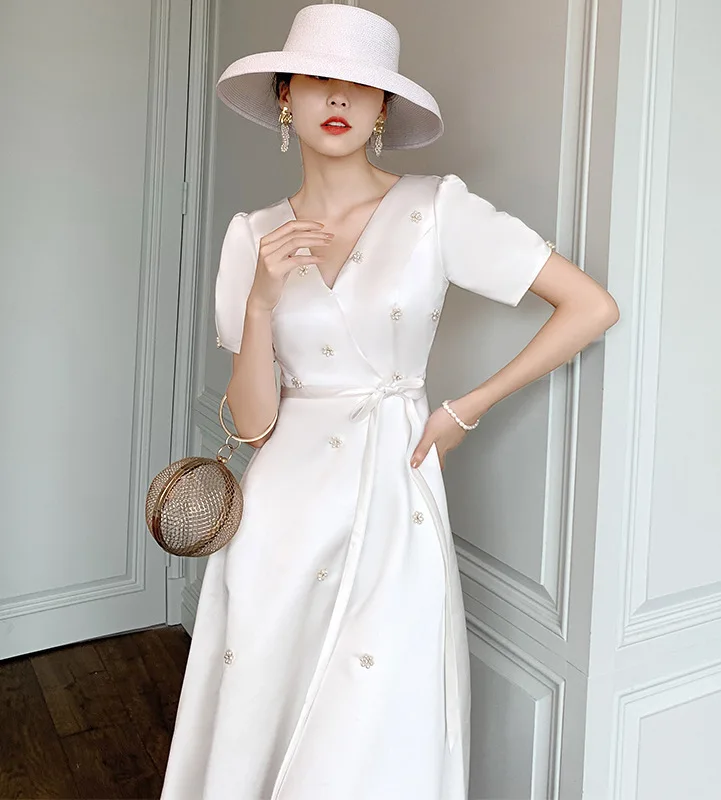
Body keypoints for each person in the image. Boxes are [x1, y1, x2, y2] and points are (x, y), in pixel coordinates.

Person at [160, 4, 619, 799]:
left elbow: (590, 306)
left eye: (361, 86)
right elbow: (253, 422)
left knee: (377, 714)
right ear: (284, 98)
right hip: (280, 515)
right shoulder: (252, 236)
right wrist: (262, 303)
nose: (338, 98)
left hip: (391, 494)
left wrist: (463, 409)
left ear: (382, 110)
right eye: (317, 81)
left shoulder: (435, 208)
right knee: (263, 697)